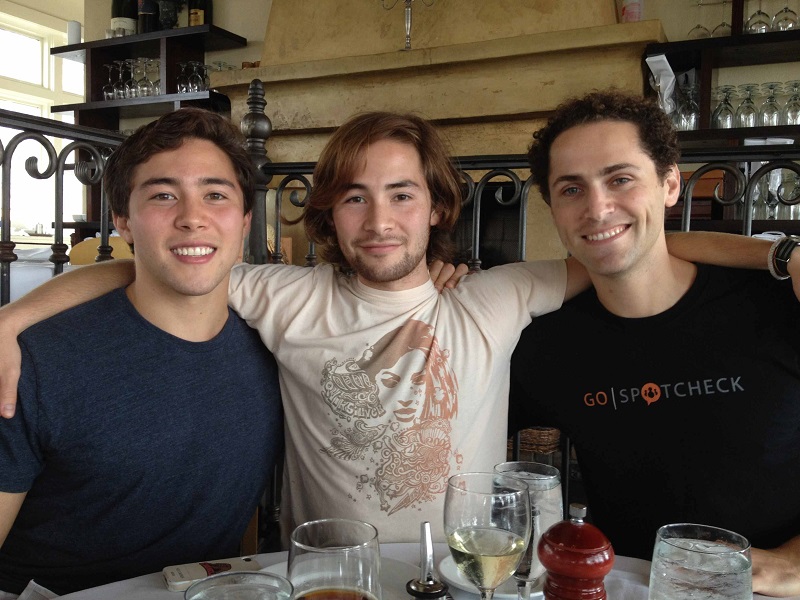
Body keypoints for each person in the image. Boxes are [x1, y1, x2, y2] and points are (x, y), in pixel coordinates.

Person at [0, 110, 780, 546]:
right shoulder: (286, 297)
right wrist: (14, 315)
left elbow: (629, 244)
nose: (379, 221)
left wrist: (779, 256)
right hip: (328, 576)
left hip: (468, 574)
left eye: (403, 195)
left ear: (439, 207)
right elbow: (166, 263)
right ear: (330, 214)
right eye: (355, 198)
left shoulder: (498, 297)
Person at [508, 90, 800, 597]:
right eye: (571, 189)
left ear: (670, 185)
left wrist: (792, 564)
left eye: (620, 179)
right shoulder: (545, 344)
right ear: (553, 208)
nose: (598, 209)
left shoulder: (779, 304)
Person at [0, 108, 284, 595]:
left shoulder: (276, 341)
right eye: (163, 195)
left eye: (215, 195)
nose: (192, 217)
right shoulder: (29, 364)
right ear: (123, 222)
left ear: (244, 222)